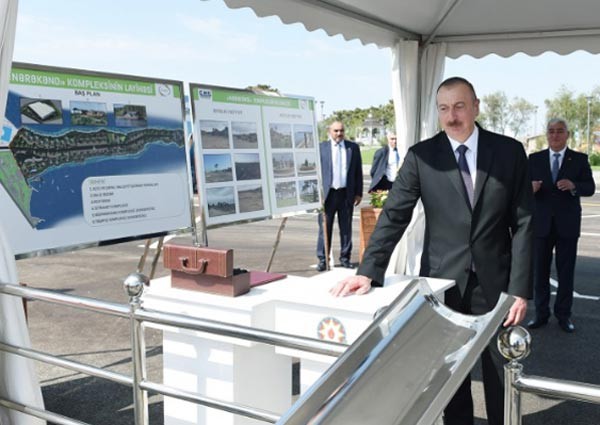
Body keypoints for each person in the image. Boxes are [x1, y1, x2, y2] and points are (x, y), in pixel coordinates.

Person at [330, 77, 533, 425]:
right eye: (444, 108)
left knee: (500, 376)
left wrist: (519, 289)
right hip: (444, 284)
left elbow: (525, 222)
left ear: (476, 107)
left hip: (496, 285)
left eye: (459, 106)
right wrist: (368, 270)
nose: (451, 116)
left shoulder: (509, 152)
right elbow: (394, 215)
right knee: (451, 378)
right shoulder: (422, 156)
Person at [527, 119, 596, 333]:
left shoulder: (579, 159)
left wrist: (574, 186)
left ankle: (564, 316)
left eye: (559, 131)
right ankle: (540, 314)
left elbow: (590, 187)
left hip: (567, 225)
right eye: (551, 131)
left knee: (566, 273)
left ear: (567, 134)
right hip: (541, 225)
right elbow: (520, 187)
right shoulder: (535, 159)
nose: (555, 135)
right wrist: (530, 188)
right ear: (547, 135)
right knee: (540, 273)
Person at [316, 121, 363, 271]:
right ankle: (323, 259)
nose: (339, 134)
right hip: (327, 195)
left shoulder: (352, 148)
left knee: (346, 229)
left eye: (341, 131)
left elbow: (358, 172)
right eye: (335, 131)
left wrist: (358, 193)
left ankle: (345, 258)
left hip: (346, 194)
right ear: (329, 131)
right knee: (324, 228)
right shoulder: (321, 148)